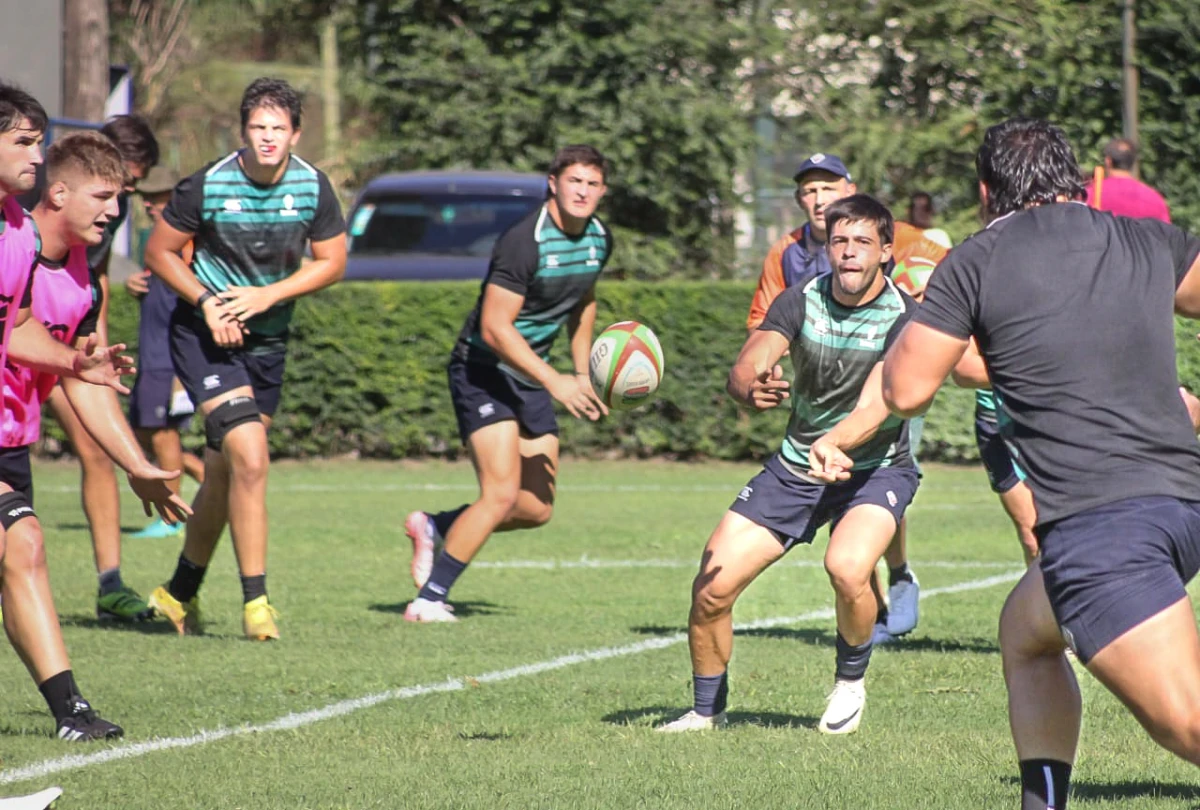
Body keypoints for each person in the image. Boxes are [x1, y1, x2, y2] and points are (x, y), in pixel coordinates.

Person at [881, 116, 1200, 809]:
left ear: (987, 190)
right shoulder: (1145, 239)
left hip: (1103, 524)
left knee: (1186, 725)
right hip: (1181, 502)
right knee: (1025, 633)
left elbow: (905, 391)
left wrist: (917, 316)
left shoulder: (975, 260)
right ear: (1080, 182)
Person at [659, 194, 919, 734]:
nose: (848, 253)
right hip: (797, 466)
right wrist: (747, 385)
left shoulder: (905, 318)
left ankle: (850, 681)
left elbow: (880, 403)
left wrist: (838, 443)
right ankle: (706, 712)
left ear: (885, 252)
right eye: (838, 241)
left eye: (862, 243)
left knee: (848, 568)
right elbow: (751, 359)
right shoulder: (801, 299)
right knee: (711, 588)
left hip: (875, 468)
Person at [0, 82, 179, 740]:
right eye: (23, 142)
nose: (35, 155)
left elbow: (16, 331)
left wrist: (79, 364)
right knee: (23, 542)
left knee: (19, 559)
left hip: (10, 440)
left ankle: (70, 712)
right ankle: (70, 710)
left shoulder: (34, 248)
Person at [143, 77, 347, 640]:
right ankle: (257, 603)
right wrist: (209, 303)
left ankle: (177, 593)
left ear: (295, 135)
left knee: (226, 469)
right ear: (243, 131)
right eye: (258, 127)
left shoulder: (313, 187)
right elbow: (158, 253)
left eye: (278, 129)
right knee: (252, 458)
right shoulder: (208, 183)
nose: (267, 138)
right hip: (205, 333)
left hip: (268, 338)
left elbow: (332, 262)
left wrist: (267, 297)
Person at [403, 144, 613, 623]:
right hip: (484, 370)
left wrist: (582, 374)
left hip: (532, 375)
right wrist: (556, 382)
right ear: (553, 183)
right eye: (574, 181)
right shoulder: (525, 241)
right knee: (498, 494)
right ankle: (429, 600)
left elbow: (584, 303)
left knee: (535, 508)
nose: (582, 191)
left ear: (603, 191)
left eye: (592, 183)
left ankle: (434, 525)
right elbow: (496, 329)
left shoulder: (599, 238)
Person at [747, 153, 920, 641]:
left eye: (829, 188)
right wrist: (760, 368)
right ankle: (876, 608)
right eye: (809, 190)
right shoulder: (785, 253)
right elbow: (764, 325)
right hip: (816, 399)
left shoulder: (888, 231)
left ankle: (898, 570)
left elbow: (936, 265)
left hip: (887, 373)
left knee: (880, 475)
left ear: (849, 189)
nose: (819, 198)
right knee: (848, 556)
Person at [34, 115, 161, 621]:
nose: (120, 202)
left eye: (126, 188)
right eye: (115, 186)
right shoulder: (26, 221)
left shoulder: (105, 214)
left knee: (98, 449)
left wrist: (93, 348)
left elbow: (95, 279)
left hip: (64, 340)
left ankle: (110, 583)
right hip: (29, 344)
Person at [124, 164, 205, 539]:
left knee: (161, 435)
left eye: (159, 199)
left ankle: (171, 518)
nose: (151, 207)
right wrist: (136, 285)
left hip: (168, 359)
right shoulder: (154, 242)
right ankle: (206, 476)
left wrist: (180, 371)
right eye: (147, 199)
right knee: (142, 431)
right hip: (151, 355)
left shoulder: (186, 243)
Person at [1085, 137, 1170, 223]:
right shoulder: (1155, 199)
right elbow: (1165, 233)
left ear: (1108, 161)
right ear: (1133, 162)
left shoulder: (1091, 194)